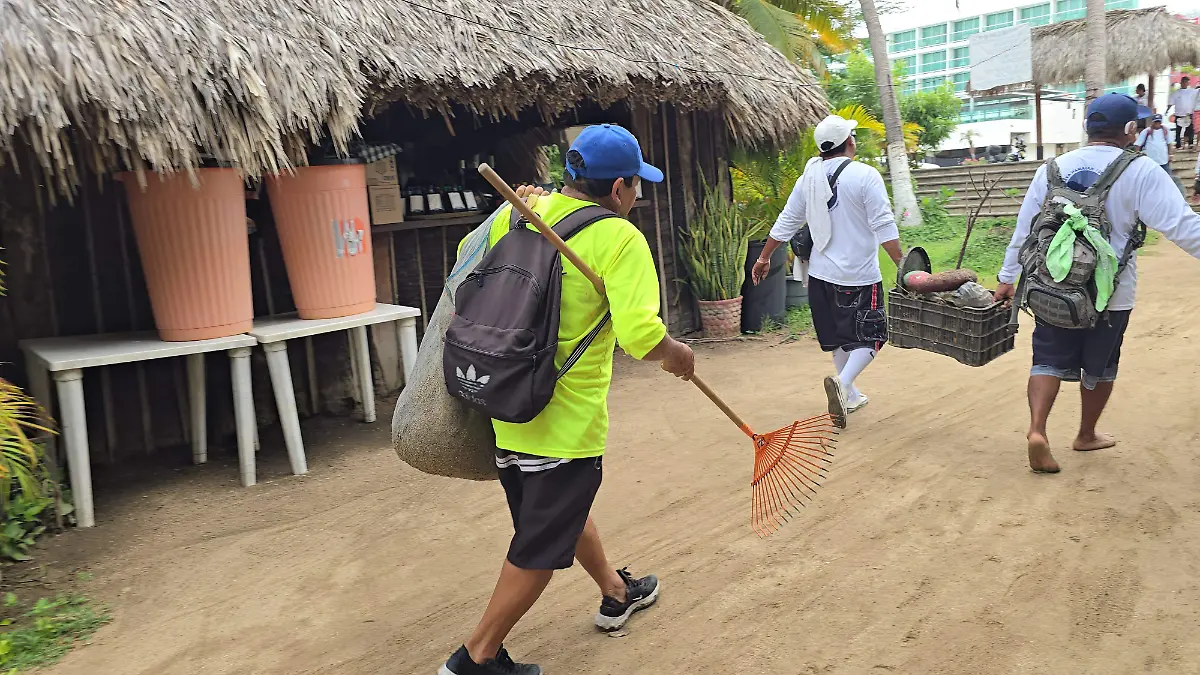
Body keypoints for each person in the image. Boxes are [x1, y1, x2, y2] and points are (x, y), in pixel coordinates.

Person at [438, 124, 696, 675]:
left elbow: (465, 263)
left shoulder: (519, 210)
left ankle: (616, 592)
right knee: (539, 543)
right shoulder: (621, 239)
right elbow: (640, 335)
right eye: (637, 186)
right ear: (622, 186)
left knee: (555, 517)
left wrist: (522, 208)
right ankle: (476, 658)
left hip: (504, 403)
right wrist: (677, 354)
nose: (636, 196)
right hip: (563, 420)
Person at [995, 93, 1200, 474]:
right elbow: (1184, 227)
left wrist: (1008, 278)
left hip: (1052, 285)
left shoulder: (1051, 169)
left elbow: (1025, 231)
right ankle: (1086, 434)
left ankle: (1037, 429)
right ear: (1129, 130)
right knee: (1101, 365)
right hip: (1111, 293)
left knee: (1047, 359)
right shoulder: (1141, 170)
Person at [751, 115, 903, 429]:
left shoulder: (808, 178)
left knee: (837, 338)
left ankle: (850, 396)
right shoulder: (865, 175)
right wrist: (905, 266)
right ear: (850, 142)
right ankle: (843, 383)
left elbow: (787, 221)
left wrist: (764, 257)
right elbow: (884, 226)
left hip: (818, 277)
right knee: (873, 336)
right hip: (857, 276)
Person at [1168, 76, 1199, 149]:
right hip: (1179, 114)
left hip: (1189, 114)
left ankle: (1190, 144)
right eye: (1183, 82)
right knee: (1178, 131)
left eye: (1186, 82)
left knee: (1190, 130)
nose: (1185, 83)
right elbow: (1170, 103)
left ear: (1188, 83)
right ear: (1181, 83)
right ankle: (1178, 145)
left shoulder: (1192, 91)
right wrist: (1167, 110)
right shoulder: (1176, 93)